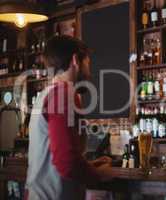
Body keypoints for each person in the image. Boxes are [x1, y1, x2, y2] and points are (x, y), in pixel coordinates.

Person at [25, 35, 117, 200]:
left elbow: (55, 156)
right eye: (88, 62)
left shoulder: (47, 94)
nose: (89, 69)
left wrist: (89, 166)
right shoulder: (63, 94)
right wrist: (98, 175)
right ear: (75, 60)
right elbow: (65, 162)